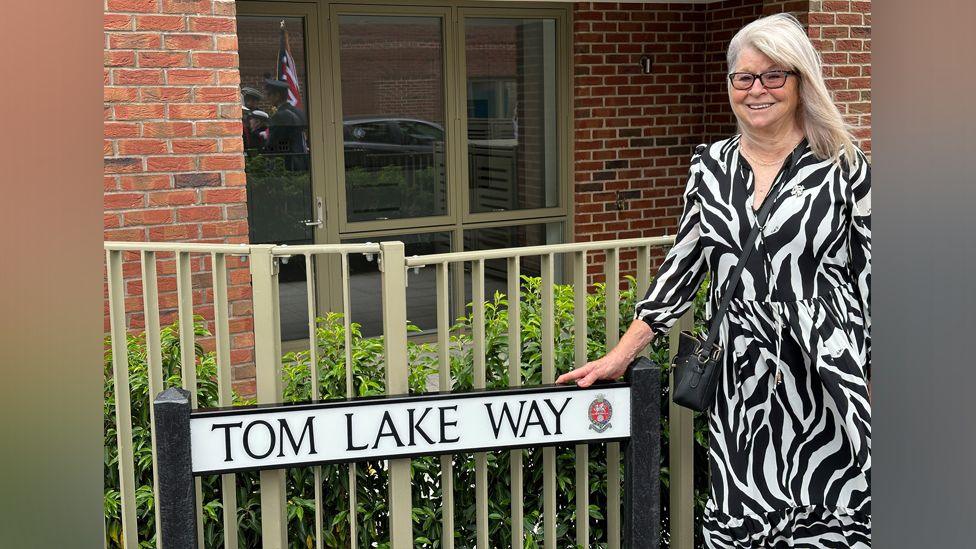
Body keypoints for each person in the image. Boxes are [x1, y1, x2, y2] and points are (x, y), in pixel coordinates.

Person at [556, 13, 871, 548]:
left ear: (800, 81)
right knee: (743, 519)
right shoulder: (711, 167)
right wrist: (622, 354)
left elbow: (872, 277)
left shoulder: (843, 167)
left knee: (831, 521)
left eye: (774, 76)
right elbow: (682, 266)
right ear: (730, 86)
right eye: (744, 77)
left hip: (827, 378)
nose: (757, 90)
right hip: (742, 381)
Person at [263, 78, 309, 171]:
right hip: (303, 161)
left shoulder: (279, 116)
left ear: (277, 96)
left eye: (269, 94)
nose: (267, 98)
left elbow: (272, 145)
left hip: (288, 164)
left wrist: (263, 151)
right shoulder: (299, 112)